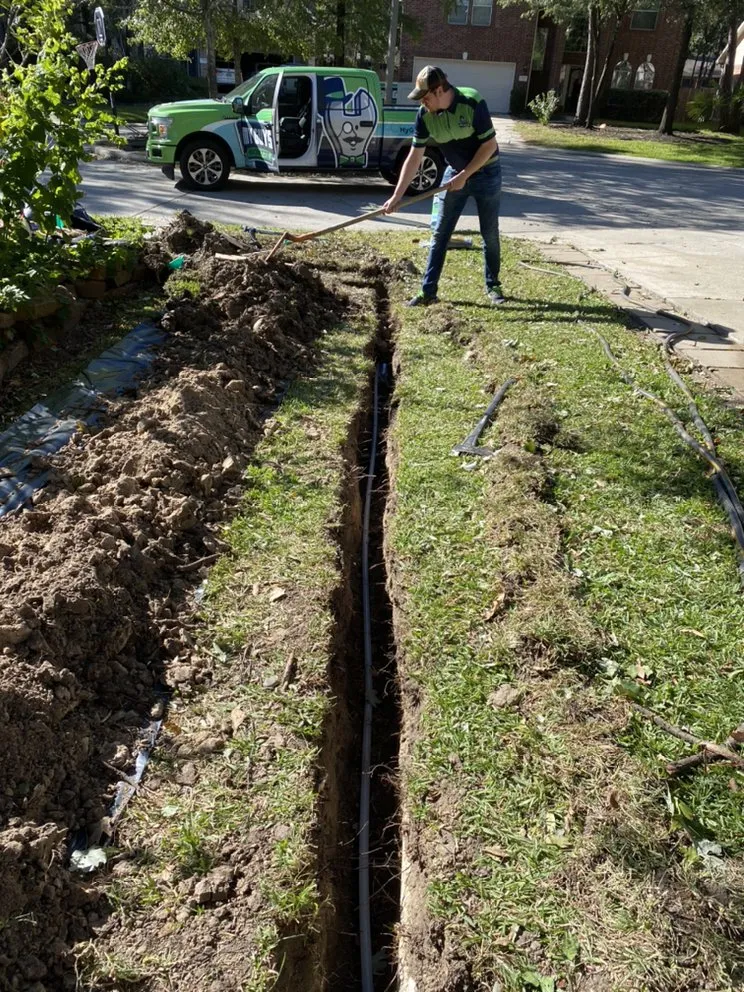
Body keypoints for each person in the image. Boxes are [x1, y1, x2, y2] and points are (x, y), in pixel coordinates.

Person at [383, 65, 504, 307]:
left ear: (439, 91)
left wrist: (466, 175)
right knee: (440, 234)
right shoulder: (424, 115)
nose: (423, 102)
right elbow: (414, 157)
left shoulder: (472, 102)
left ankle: (493, 285)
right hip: (453, 173)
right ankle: (428, 291)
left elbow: (489, 145)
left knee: (489, 233)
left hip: (487, 172)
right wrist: (397, 195)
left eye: (426, 97)